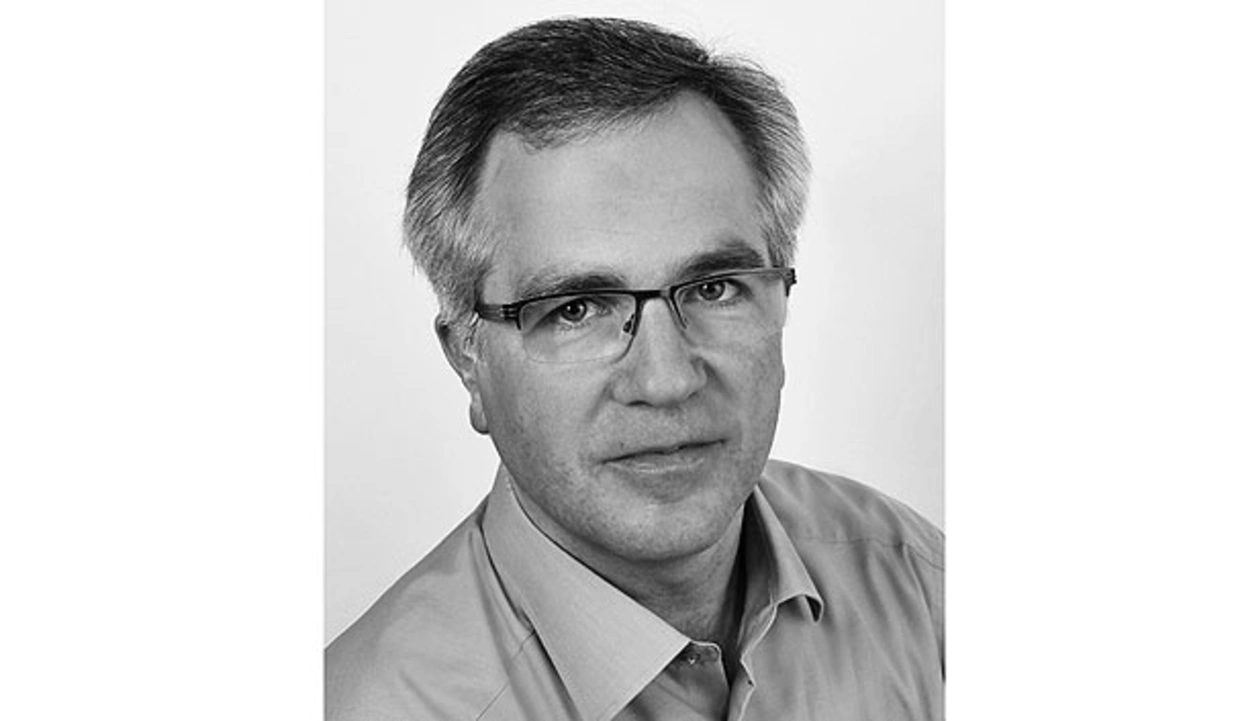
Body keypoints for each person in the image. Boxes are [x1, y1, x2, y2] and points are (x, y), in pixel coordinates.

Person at [326, 16, 943, 721]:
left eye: (714, 288)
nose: (666, 380)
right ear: (468, 359)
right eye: (577, 309)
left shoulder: (919, 587)